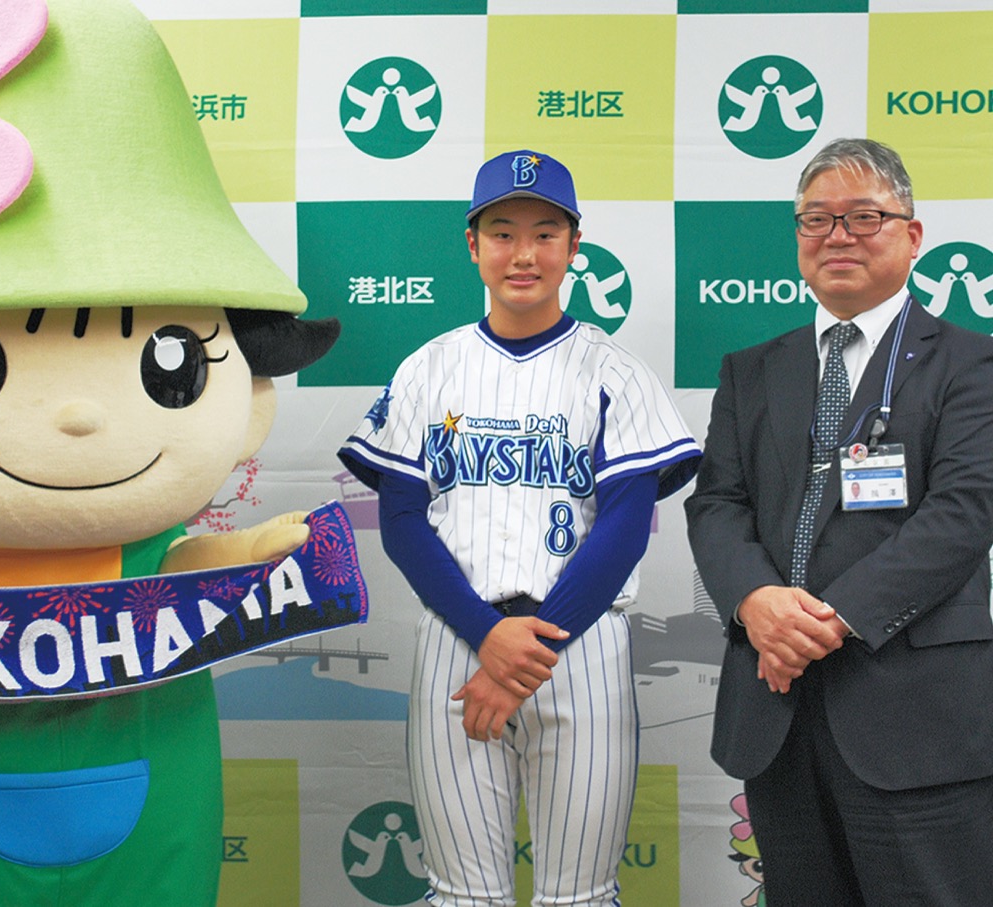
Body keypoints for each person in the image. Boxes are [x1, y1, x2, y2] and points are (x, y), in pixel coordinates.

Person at [339, 150, 700, 906]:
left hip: (580, 645)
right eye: (503, 233)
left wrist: (523, 656)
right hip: (458, 639)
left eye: (545, 233)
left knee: (582, 896)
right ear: (473, 245)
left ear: (574, 245)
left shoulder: (615, 371)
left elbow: (627, 526)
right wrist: (488, 635)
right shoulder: (428, 367)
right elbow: (401, 520)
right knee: (461, 895)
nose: (524, 253)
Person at [685, 137, 993, 904]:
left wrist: (826, 620)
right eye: (817, 219)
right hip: (777, 716)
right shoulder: (751, 369)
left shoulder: (971, 364)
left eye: (863, 216)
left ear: (912, 235)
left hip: (914, 720)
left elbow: (963, 512)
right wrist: (757, 601)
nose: (838, 236)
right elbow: (717, 502)